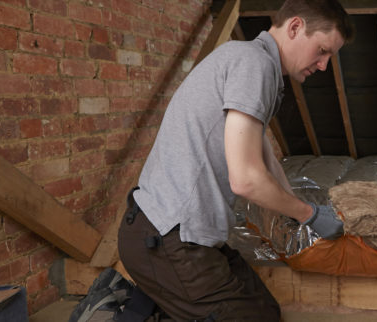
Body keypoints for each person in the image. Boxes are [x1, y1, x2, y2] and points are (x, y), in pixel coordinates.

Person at [71, 1, 353, 321]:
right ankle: (112, 314)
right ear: (295, 27)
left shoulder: (253, 63)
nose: (323, 65)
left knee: (266, 311)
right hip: (167, 239)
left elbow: (262, 155)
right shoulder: (254, 65)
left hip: (182, 235)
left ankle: (137, 301)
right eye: (322, 50)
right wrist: (310, 214)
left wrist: (294, 207)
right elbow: (245, 179)